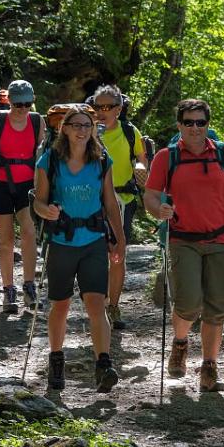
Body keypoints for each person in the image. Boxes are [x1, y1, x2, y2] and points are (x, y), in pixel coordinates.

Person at [143, 99, 224, 392]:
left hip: (221, 239)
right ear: (179, 125)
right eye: (189, 122)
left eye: (200, 122)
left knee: (216, 306)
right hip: (182, 239)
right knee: (188, 302)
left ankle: (209, 368)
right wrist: (159, 210)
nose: (195, 128)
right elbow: (150, 195)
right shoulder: (166, 157)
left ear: (208, 125)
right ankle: (181, 343)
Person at [33, 105, 126, 392]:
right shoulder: (49, 161)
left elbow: (110, 202)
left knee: (96, 303)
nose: (82, 130)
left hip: (94, 241)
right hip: (61, 241)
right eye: (76, 125)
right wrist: (45, 211)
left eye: (87, 125)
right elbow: (37, 201)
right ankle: (56, 359)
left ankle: (104, 364)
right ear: (65, 129)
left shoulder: (101, 161)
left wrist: (119, 239)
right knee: (60, 305)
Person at [0, 80, 45, 314]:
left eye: (27, 104)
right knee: (6, 240)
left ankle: (29, 286)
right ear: (10, 102)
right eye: (18, 104)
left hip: (27, 185)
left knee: (29, 231)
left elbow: (42, 153)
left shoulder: (37, 121)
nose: (23, 109)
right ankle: (9, 291)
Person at [91, 85, 149, 330]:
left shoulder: (129, 131)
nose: (101, 112)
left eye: (107, 107)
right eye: (97, 106)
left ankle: (113, 306)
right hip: (90, 199)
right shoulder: (86, 129)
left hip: (122, 199)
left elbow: (141, 158)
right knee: (95, 255)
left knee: (117, 255)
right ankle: (98, 305)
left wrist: (141, 169)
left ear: (119, 108)